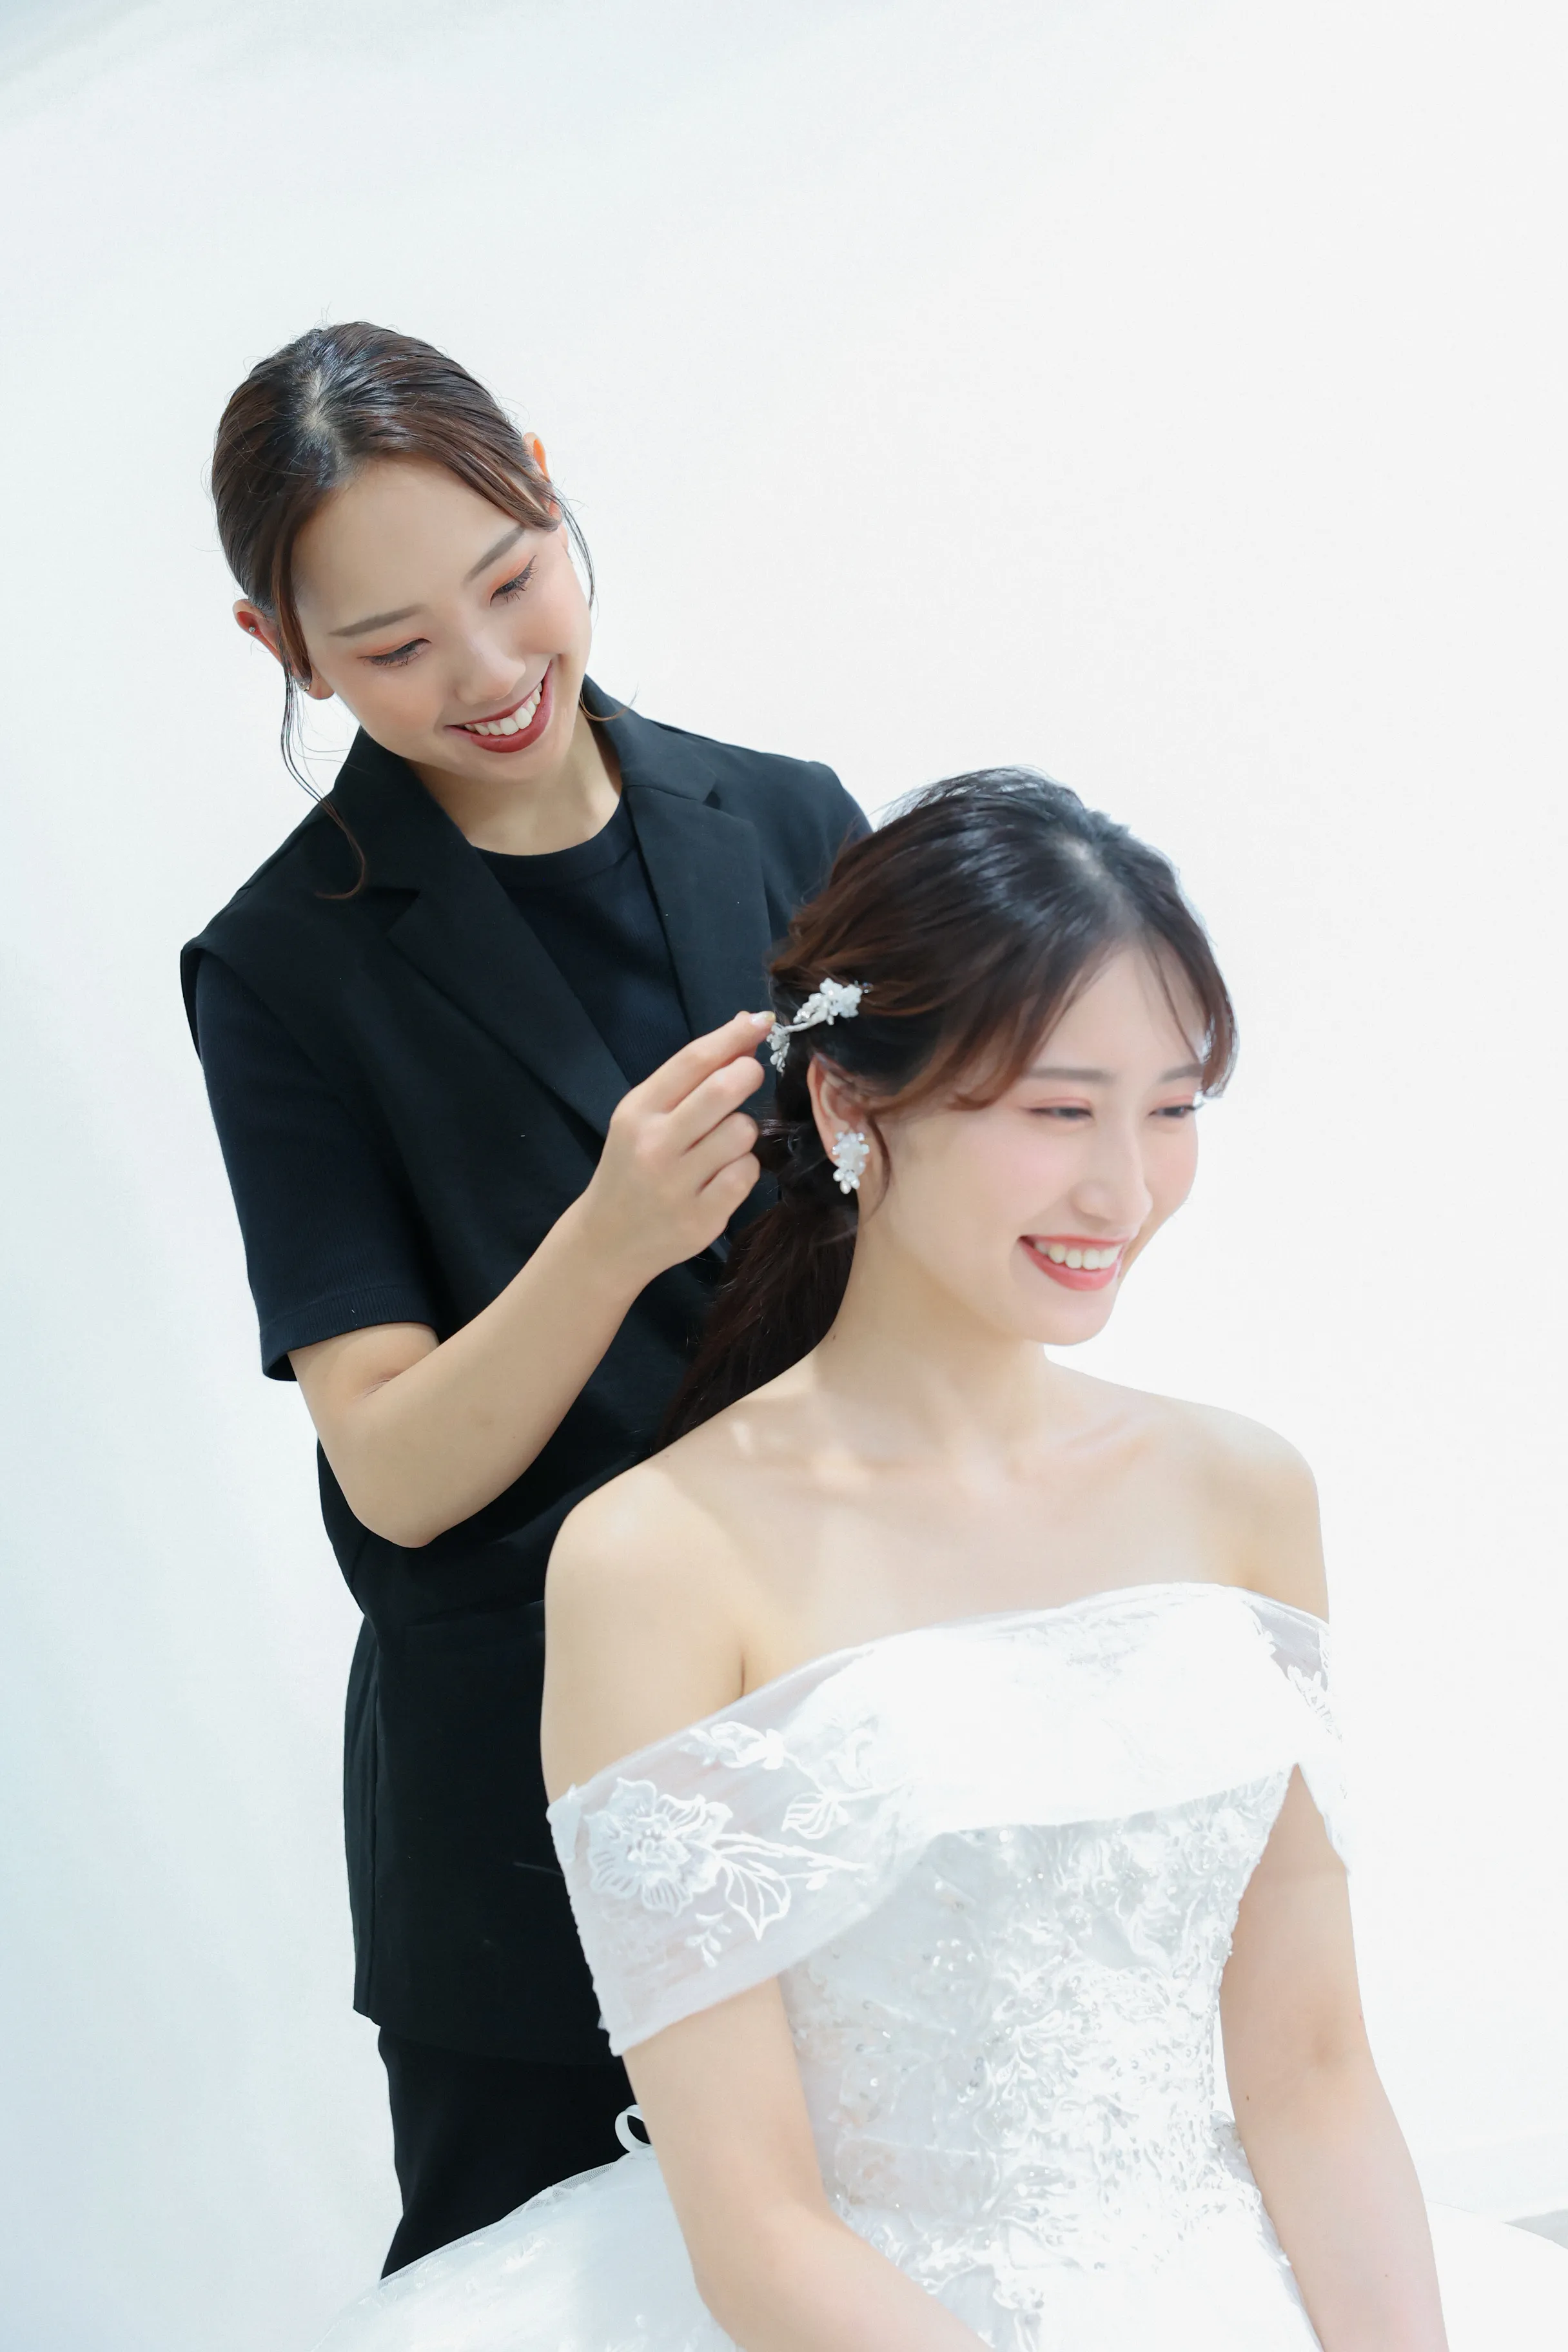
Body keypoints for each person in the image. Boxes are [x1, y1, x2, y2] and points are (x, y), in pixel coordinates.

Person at [315, 771, 1568, 2348]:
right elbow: (755, 2223)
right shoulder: (656, 1560)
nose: (1124, 1190)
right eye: (1057, 1111)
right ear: (851, 1106)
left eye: (1171, 1108)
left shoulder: (1243, 1491)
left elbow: (1308, 2070)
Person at [181, 321, 865, 2272]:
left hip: (845, 1708)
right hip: (521, 1803)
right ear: (284, 651)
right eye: (392, 646)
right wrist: (610, 1232)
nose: (486, 674)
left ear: (550, 491)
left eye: (511, 580)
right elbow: (395, 1469)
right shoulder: (279, 968)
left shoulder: (792, 819)